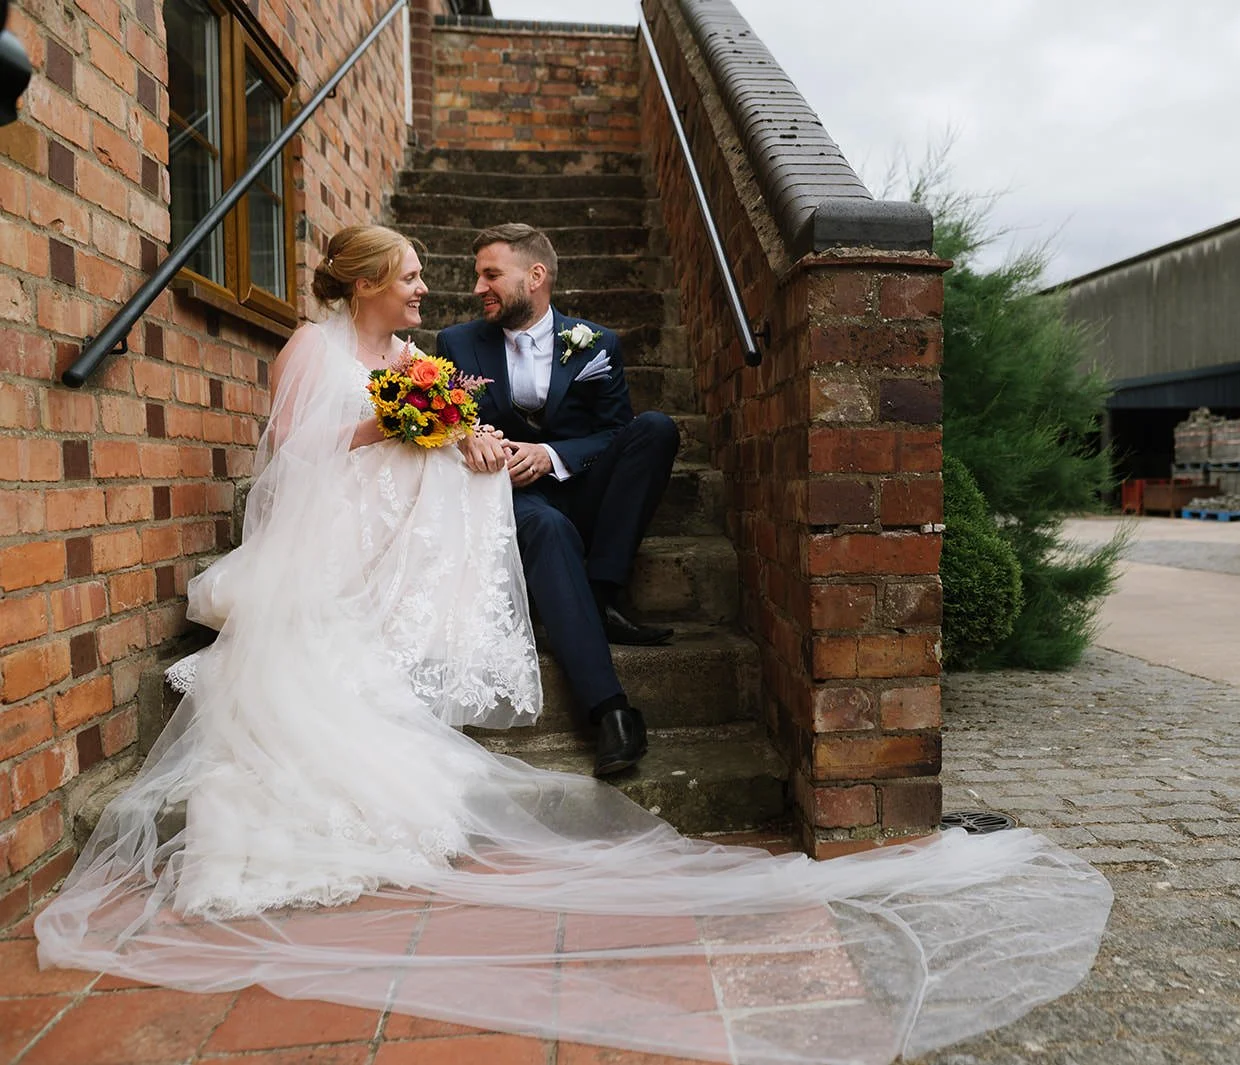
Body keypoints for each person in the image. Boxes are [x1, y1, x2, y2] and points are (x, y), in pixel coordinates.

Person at [34, 224, 1114, 1065]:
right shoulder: (378, 351)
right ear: (367, 284)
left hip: (540, 484)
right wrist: (421, 427)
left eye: (479, 273)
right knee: (532, 528)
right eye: (423, 276)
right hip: (389, 509)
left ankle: (603, 609)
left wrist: (504, 446)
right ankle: (603, 691)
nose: (450, 290)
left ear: (536, 277)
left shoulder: (573, 342)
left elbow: (558, 425)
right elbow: (316, 450)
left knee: (617, 459)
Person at [436, 223, 678, 777]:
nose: (478, 288)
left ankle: (599, 592)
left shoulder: (596, 342)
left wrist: (551, 454)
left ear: (535, 276)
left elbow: (615, 433)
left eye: (491, 275)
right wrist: (476, 443)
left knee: (655, 429)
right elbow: (449, 427)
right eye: (477, 276)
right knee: (547, 528)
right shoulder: (457, 344)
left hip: (581, 489)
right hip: (513, 499)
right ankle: (611, 712)